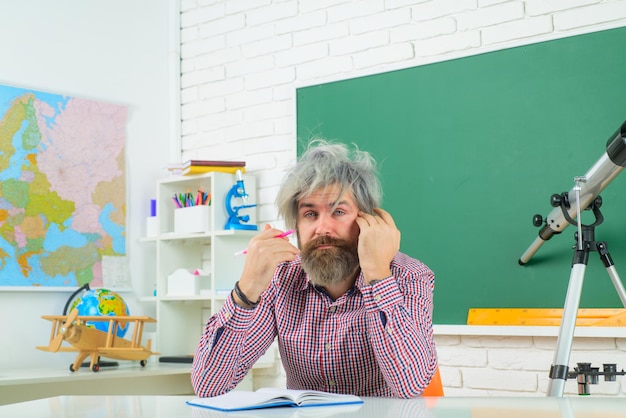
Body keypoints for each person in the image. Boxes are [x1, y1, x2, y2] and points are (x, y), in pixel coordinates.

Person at [191, 139, 437, 399]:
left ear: (367, 220)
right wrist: (247, 289)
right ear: (295, 224)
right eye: (310, 214)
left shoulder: (408, 276)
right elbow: (209, 386)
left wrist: (377, 274)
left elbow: (410, 385)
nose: (322, 228)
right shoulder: (281, 278)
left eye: (339, 211)